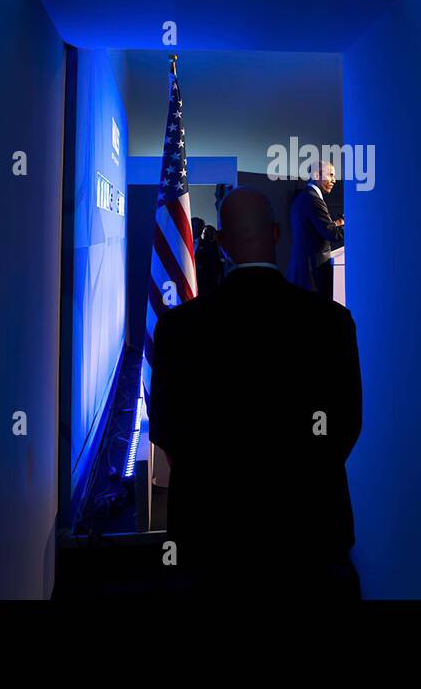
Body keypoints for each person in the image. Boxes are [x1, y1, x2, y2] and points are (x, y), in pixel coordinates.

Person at [148, 188, 363, 597]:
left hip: (211, 545)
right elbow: (346, 427)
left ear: (223, 243)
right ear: (278, 234)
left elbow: (167, 430)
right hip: (310, 540)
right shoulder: (330, 323)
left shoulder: (178, 330)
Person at [286, 160, 344, 298]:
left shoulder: (306, 196)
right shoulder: (313, 199)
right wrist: (356, 227)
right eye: (330, 175)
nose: (334, 180)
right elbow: (332, 235)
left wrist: (338, 223)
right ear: (317, 175)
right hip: (313, 275)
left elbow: (317, 228)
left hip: (307, 272)